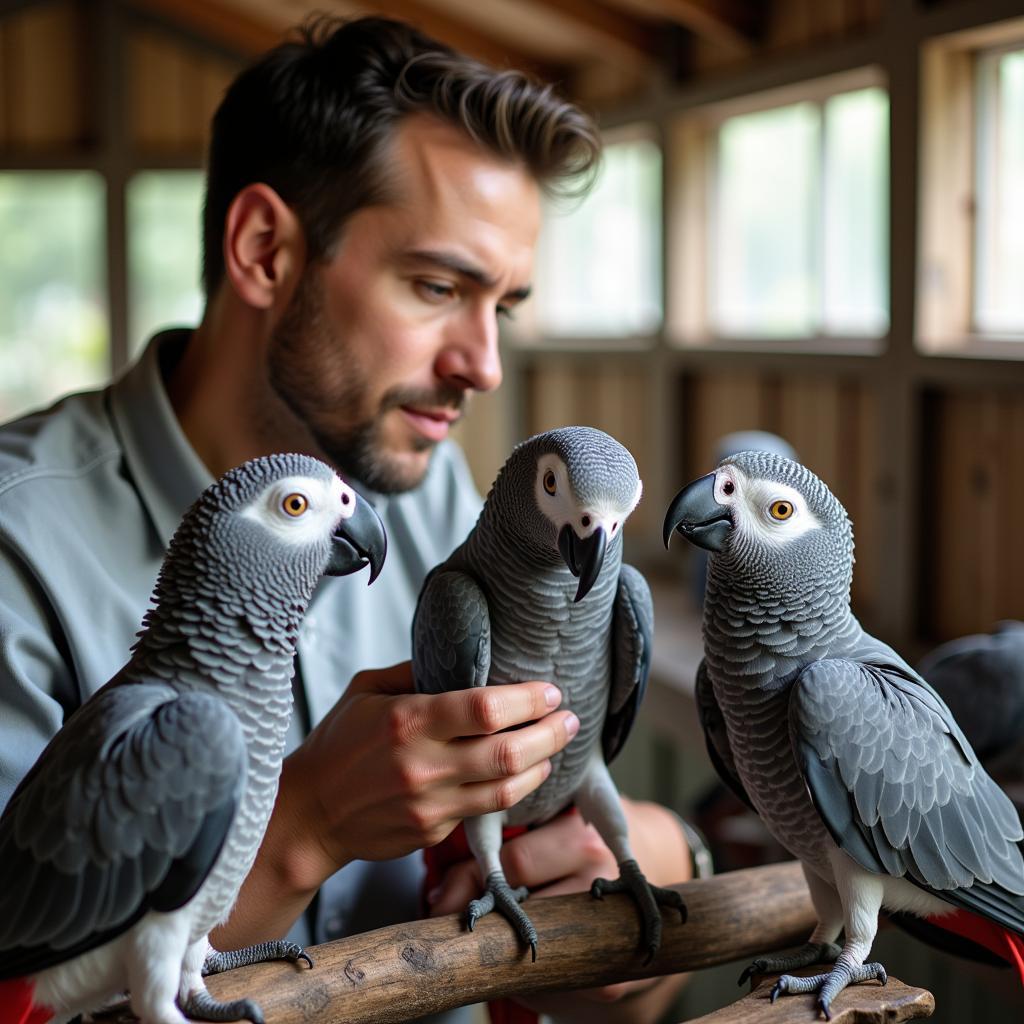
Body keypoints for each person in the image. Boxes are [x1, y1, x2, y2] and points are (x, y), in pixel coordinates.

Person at [0, 16, 692, 1022]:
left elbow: (607, 1002)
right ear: (265, 249)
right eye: (437, 285)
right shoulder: (20, 551)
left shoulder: (455, 505)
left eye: (500, 306)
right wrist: (309, 822)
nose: (482, 365)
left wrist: (649, 886)